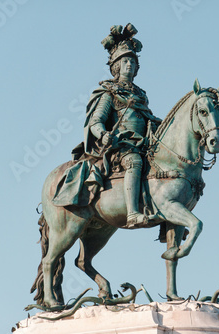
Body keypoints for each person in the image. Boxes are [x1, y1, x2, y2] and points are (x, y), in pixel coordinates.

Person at [53, 24, 161, 227]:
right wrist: (103, 135)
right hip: (120, 145)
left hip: (143, 143)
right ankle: (132, 213)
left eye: (132, 61)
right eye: (125, 61)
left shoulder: (140, 95)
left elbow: (147, 119)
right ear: (116, 66)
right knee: (135, 162)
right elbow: (96, 121)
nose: (129, 65)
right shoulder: (108, 92)